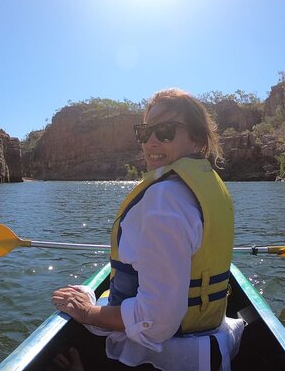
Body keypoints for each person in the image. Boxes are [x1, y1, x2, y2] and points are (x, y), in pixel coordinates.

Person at [52, 88, 243, 371]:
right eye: (145, 132)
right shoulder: (206, 185)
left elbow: (156, 321)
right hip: (211, 344)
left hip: (164, 357)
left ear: (197, 140)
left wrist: (89, 312)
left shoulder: (165, 198)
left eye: (165, 131)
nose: (151, 141)